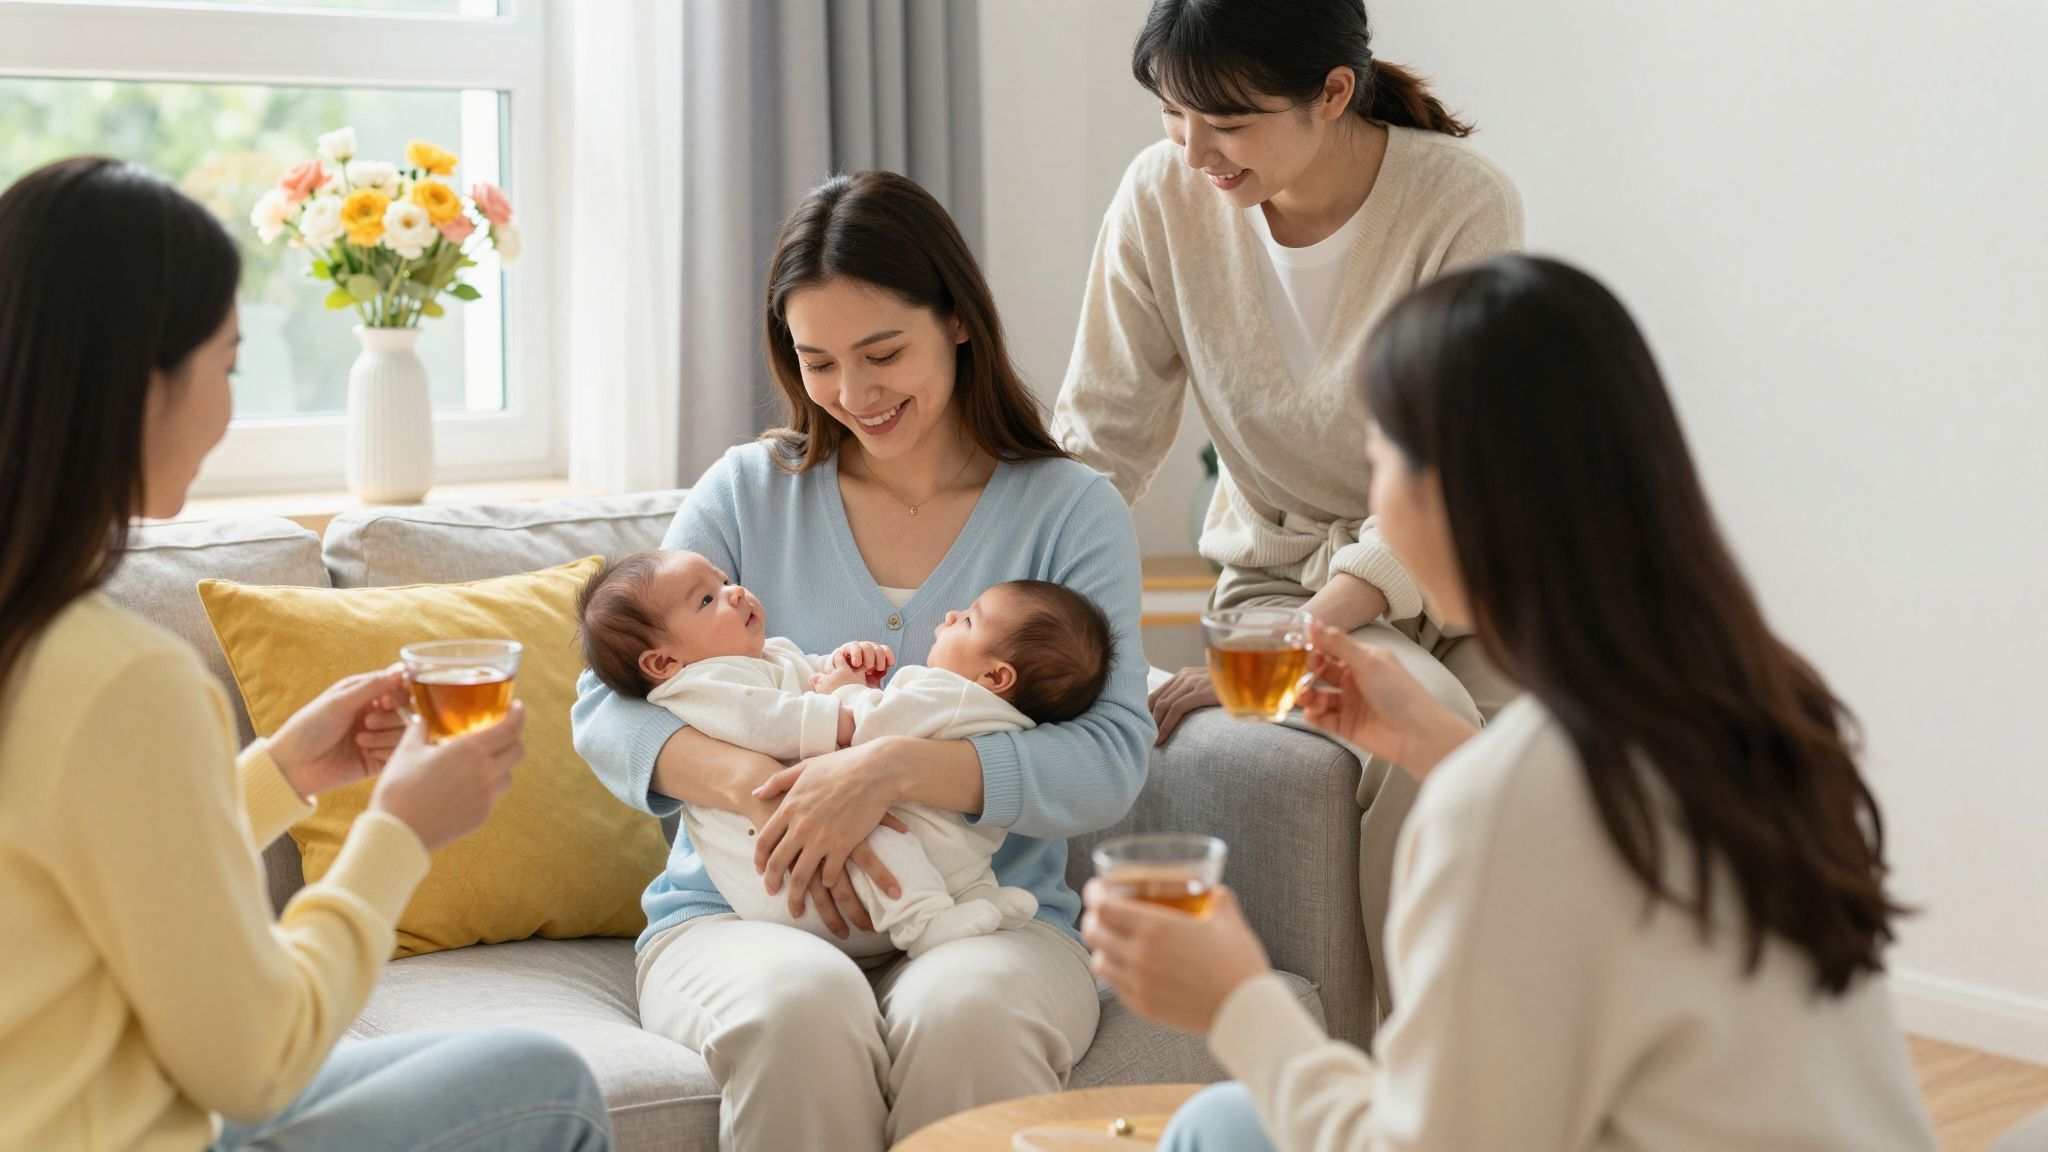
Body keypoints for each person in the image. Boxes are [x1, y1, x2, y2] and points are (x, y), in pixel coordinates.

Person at [1083, 255, 1939, 1151]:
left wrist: (1235, 999)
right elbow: (1607, 872)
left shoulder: (1523, 792)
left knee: (1215, 1126)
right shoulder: (1754, 702)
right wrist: (1441, 746)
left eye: (1378, 464)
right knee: (1230, 1121)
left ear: (1447, 491)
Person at [0, 156, 613, 1151]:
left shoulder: (39, 637)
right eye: (227, 364)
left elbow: (84, 863)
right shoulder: (122, 676)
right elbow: (255, 1060)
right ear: (140, 383)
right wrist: (401, 829)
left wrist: (284, 772)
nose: (229, 408)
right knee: (544, 1086)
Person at [570, 170, 1152, 1151]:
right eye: (819, 363)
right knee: (798, 1008)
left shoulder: (1070, 511)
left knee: (966, 1015)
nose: (854, 394)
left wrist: (881, 768)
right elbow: (608, 706)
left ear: (958, 322)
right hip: (738, 918)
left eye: (883, 353)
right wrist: (770, 788)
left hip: (987, 918)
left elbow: (1109, 761)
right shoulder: (747, 492)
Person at [1052, 0, 1525, 1015]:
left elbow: (1455, 464)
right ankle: (1402, 1081)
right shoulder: (1159, 199)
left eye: (1225, 122)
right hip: (1278, 582)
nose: (1192, 153)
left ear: (1332, 94)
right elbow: (1099, 438)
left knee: (1544, 810)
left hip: (1472, 576)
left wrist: (1277, 646)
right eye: (1172, 116)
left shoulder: (1458, 202)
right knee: (1428, 731)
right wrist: (1030, 608)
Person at [577, 550, 1114, 957]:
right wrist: (829, 718)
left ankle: (968, 897)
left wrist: (843, 669)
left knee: (887, 820)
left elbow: (805, 681)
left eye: (725, 581)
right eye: (707, 599)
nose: (735, 592)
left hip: (839, 870)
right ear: (662, 662)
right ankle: (924, 918)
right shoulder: (697, 684)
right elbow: (758, 718)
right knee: (878, 830)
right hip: (780, 878)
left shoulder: (764, 653)